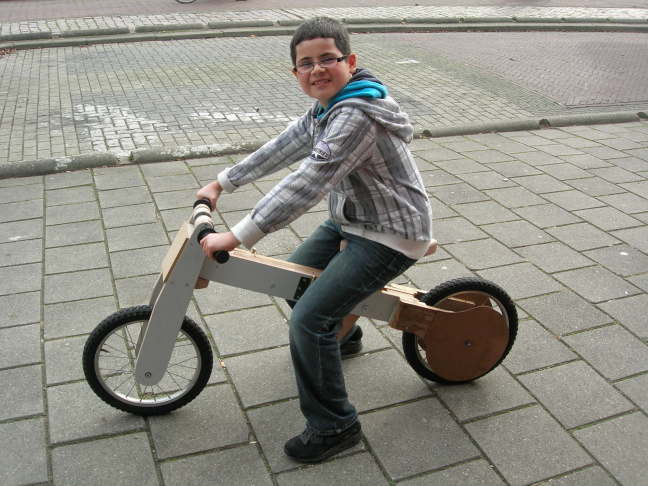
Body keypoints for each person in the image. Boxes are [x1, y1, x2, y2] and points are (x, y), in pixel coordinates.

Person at [196, 16, 434, 463]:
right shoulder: (327, 107)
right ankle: (344, 338)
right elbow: (285, 145)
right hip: (353, 221)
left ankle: (335, 426)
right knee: (292, 280)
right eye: (306, 63)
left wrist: (238, 235)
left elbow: (309, 180)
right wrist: (222, 182)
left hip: (392, 233)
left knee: (308, 319)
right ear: (295, 72)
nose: (317, 69)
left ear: (350, 62)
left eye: (328, 58)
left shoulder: (357, 115)